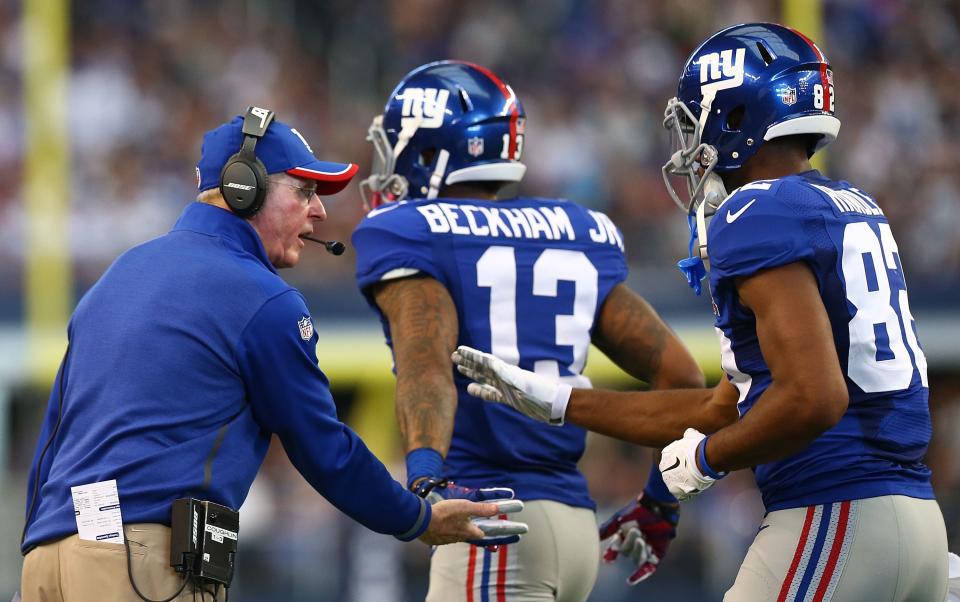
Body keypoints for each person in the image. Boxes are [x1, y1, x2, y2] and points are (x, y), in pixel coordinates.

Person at [453, 23, 950, 601]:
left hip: (836, 513)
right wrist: (563, 402)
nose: (688, 149)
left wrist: (706, 463)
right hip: (912, 522)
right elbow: (727, 406)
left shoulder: (755, 212)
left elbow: (815, 397)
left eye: (693, 125)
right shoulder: (849, 204)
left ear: (735, 116)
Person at [19, 107, 519, 602]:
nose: (319, 210)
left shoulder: (119, 273)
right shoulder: (262, 297)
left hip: (48, 557)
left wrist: (39, 557)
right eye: (303, 191)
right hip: (137, 562)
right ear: (244, 188)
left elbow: (52, 439)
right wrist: (419, 519)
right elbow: (324, 450)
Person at [351, 61, 705, 601]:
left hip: (491, 522)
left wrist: (424, 483)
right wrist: (660, 496)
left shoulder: (413, 230)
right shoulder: (577, 228)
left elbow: (427, 365)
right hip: (573, 522)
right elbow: (683, 378)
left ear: (429, 152)